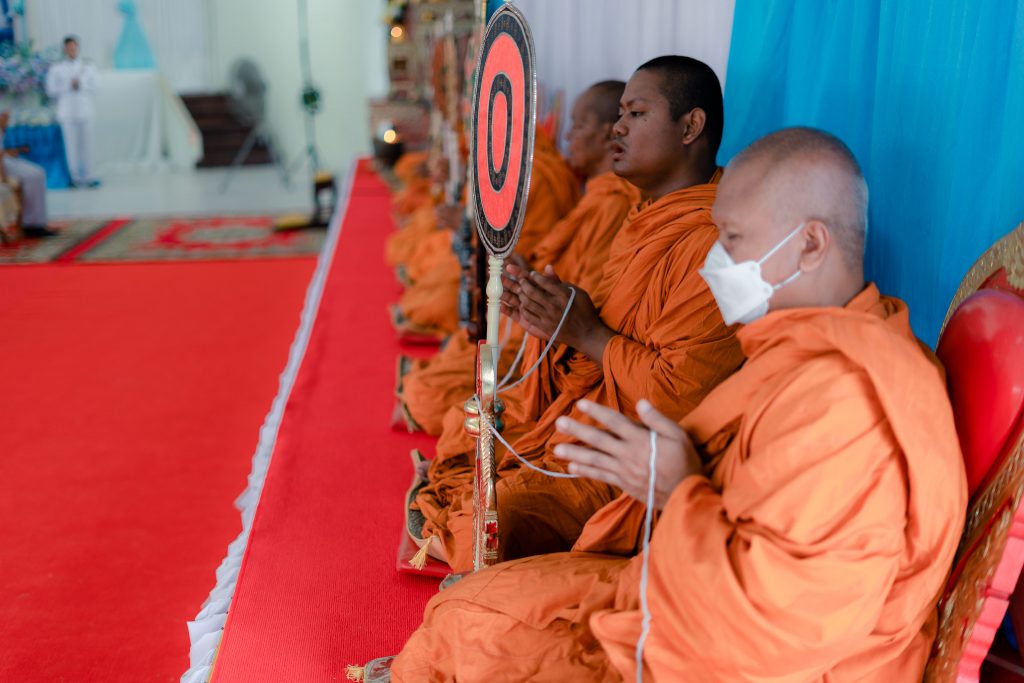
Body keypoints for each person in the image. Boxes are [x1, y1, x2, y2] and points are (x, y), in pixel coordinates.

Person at [386, 127, 968, 682]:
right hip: (690, 580)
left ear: (810, 244)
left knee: (468, 630)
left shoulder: (846, 403)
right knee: (471, 607)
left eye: (732, 240)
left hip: (751, 654)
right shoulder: (805, 346)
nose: (716, 262)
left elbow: (775, 632)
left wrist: (675, 488)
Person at [413, 56, 744, 572]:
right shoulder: (644, 219)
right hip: (576, 419)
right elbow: (592, 330)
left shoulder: (715, 243)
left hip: (630, 460)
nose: (618, 128)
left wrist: (583, 332)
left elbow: (680, 398)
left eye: (636, 114)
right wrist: (543, 316)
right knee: (465, 430)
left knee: (488, 521)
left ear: (690, 126)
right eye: (619, 114)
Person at [397, 80, 638, 435]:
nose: (567, 137)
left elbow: (587, 296)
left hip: (554, 338)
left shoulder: (611, 201)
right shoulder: (598, 195)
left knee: (439, 396)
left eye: (577, 126)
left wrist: (517, 269)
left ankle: (426, 384)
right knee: (453, 319)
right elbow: (543, 253)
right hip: (529, 315)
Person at [392, 128, 579, 339]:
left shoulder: (535, 176)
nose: (569, 135)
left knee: (443, 300)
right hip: (481, 257)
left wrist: (469, 226)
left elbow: (527, 248)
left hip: (513, 276)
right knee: (434, 266)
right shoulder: (496, 157)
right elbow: (475, 206)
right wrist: (456, 180)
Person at [45, 35, 98, 188]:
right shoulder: (56, 68)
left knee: (88, 145)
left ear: (78, 48)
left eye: (74, 47)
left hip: (85, 110)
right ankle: (74, 178)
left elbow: (96, 86)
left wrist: (80, 84)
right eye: (69, 47)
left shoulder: (88, 66)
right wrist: (68, 85)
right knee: (71, 146)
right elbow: (50, 90)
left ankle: (89, 176)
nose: (72, 50)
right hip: (67, 112)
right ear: (64, 49)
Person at [0, 110, 55, 238]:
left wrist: (11, 151)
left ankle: (37, 222)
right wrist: (4, 178)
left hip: (5, 158)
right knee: (32, 176)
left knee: (38, 173)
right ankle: (31, 224)